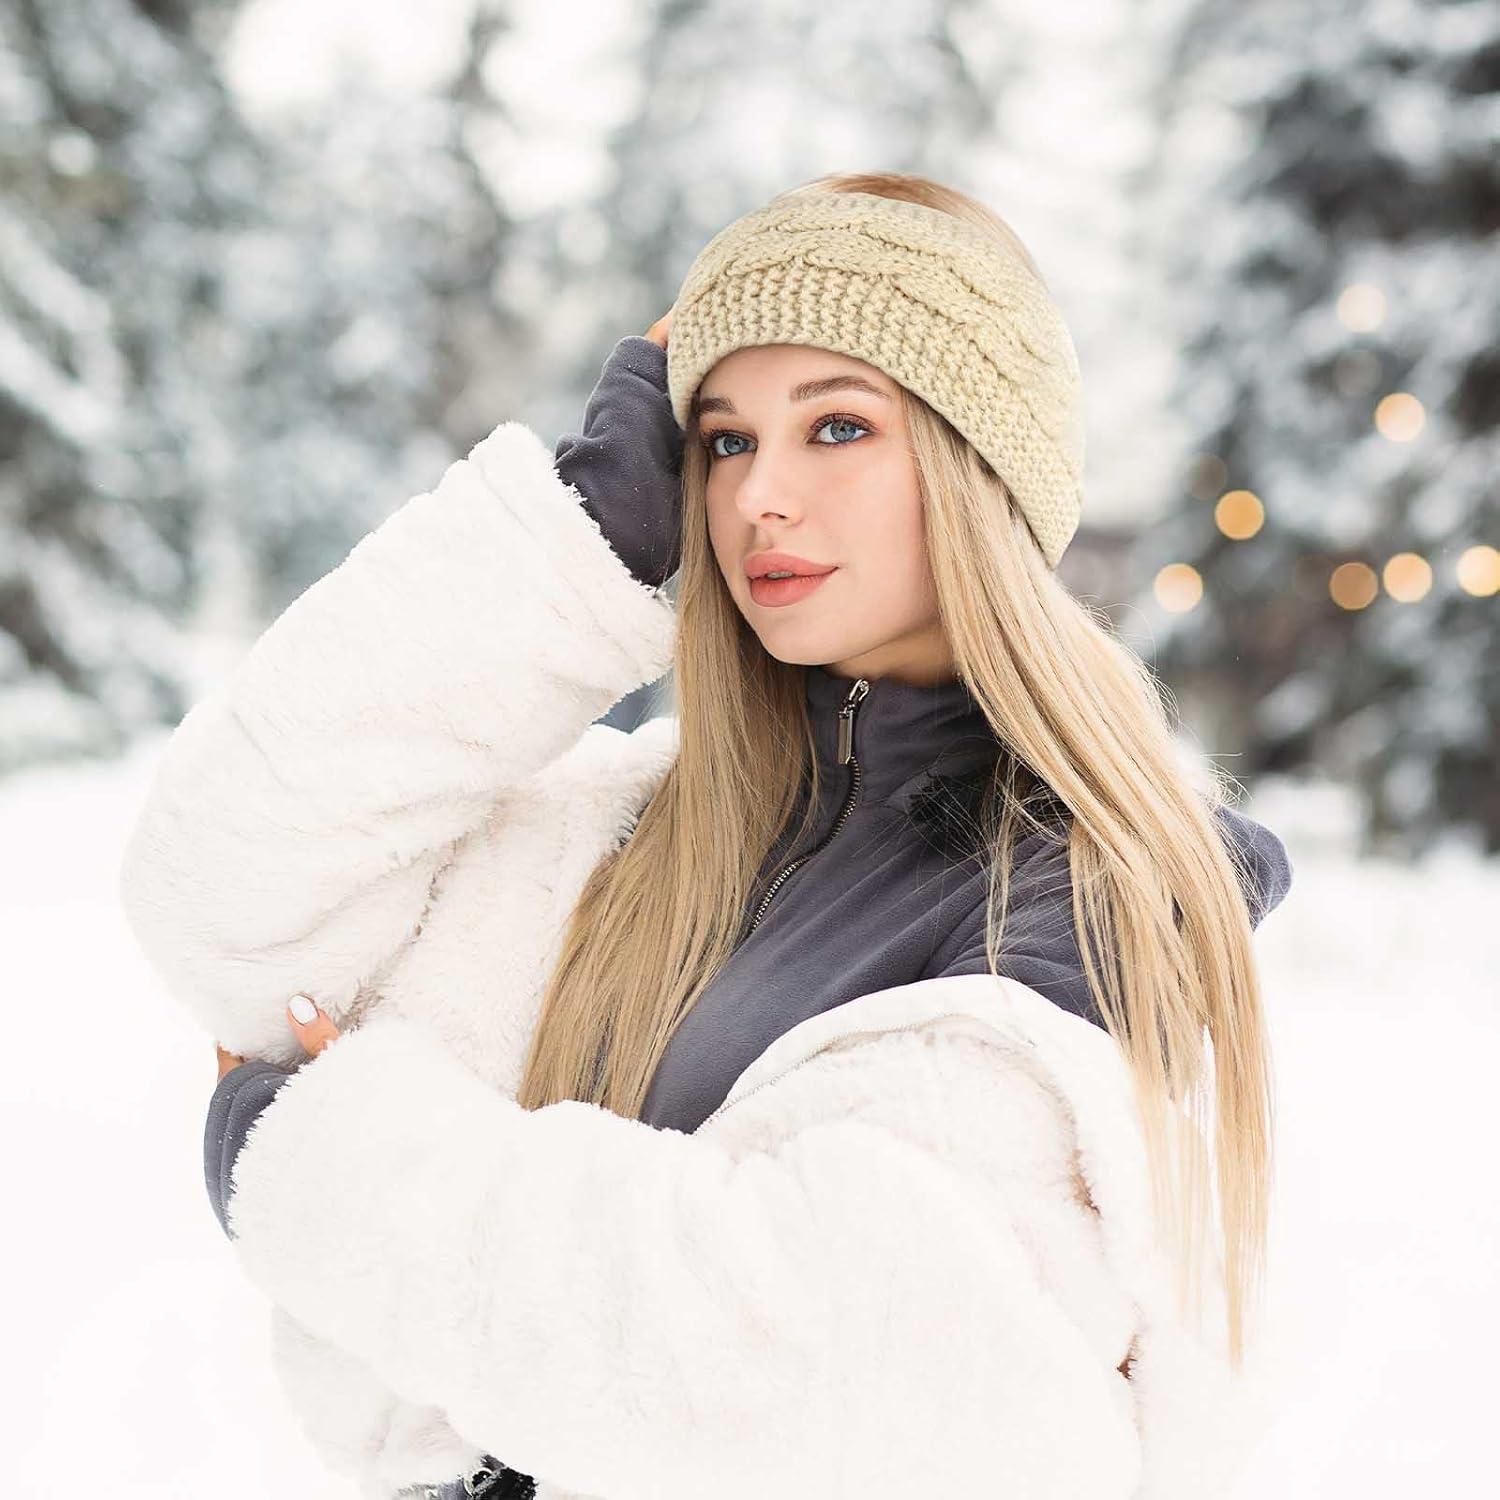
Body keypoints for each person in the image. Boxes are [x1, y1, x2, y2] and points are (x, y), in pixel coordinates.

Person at [122, 172, 1294, 1500]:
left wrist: (329, 1160)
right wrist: (583, 536)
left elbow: (798, 1366)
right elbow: (221, 892)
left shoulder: (1097, 895)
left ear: (984, 470)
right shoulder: (636, 820)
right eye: (725, 440)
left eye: (838, 427)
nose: (756, 501)